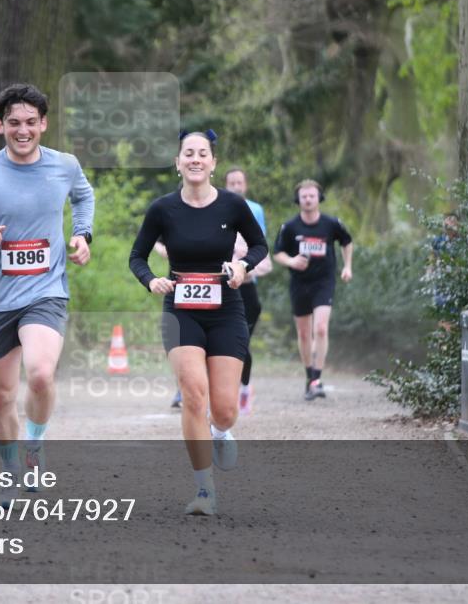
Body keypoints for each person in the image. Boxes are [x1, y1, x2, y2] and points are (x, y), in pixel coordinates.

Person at [0, 83, 94, 506]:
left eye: (31, 122)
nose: (22, 130)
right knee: (3, 394)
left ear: (44, 124)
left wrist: (82, 234)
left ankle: (35, 444)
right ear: (0, 125)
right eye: (14, 123)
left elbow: (83, 196)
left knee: (41, 374)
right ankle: (10, 471)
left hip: (45, 291)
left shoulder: (64, 166)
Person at [129, 130, 267, 515]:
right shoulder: (162, 209)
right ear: (177, 162)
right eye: (187, 153)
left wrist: (242, 265)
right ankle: (204, 490)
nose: (194, 159)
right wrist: (151, 279)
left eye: (202, 153)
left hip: (226, 310)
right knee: (193, 393)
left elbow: (259, 246)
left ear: (212, 163)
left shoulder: (232, 205)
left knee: (223, 409)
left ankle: (221, 431)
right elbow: (137, 256)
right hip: (181, 310)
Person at [273, 179, 352, 401]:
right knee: (304, 333)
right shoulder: (290, 227)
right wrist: (291, 261)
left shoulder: (331, 224)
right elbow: (277, 252)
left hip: (324, 282)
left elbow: (347, 242)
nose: (308, 199)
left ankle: (317, 378)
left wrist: (347, 267)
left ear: (319, 198)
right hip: (299, 283)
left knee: (320, 328)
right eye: (304, 196)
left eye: (312, 195)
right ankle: (309, 376)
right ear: (298, 200)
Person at [223, 167, 272, 415]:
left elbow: (262, 252)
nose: (236, 186)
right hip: (221, 291)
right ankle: (226, 392)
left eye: (239, 182)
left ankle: (244, 388)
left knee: (241, 343)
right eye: (231, 182)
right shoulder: (217, 210)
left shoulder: (255, 211)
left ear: (246, 185)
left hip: (247, 289)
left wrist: (246, 267)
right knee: (223, 344)